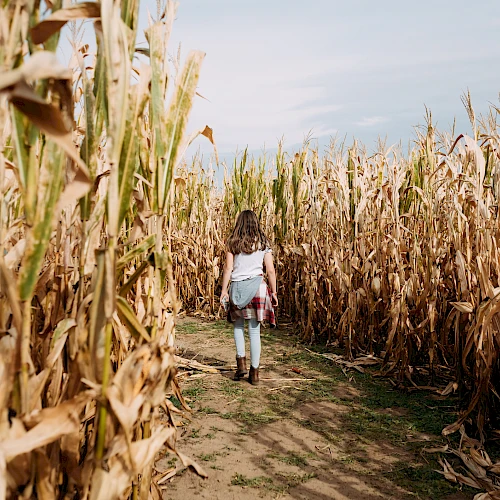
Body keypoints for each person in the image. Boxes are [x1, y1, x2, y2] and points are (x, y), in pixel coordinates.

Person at [220, 210, 278, 385]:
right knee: (254, 332)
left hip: (237, 287)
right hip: (258, 289)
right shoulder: (263, 243)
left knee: (238, 327)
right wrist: (274, 292)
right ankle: (254, 374)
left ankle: (241, 366)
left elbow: (228, 269)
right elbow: (270, 270)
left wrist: (224, 290)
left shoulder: (233, 243)